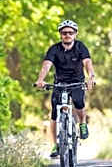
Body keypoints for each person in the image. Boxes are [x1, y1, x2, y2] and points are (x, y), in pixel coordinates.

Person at [34, 19, 96, 158]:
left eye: (70, 32)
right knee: (55, 113)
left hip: (77, 82)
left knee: (79, 104)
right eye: (64, 33)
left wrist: (91, 77)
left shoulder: (81, 47)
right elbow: (47, 65)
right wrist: (40, 80)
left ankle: (82, 123)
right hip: (60, 83)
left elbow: (87, 63)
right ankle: (56, 144)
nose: (67, 35)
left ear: (75, 34)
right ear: (60, 34)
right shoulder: (54, 49)